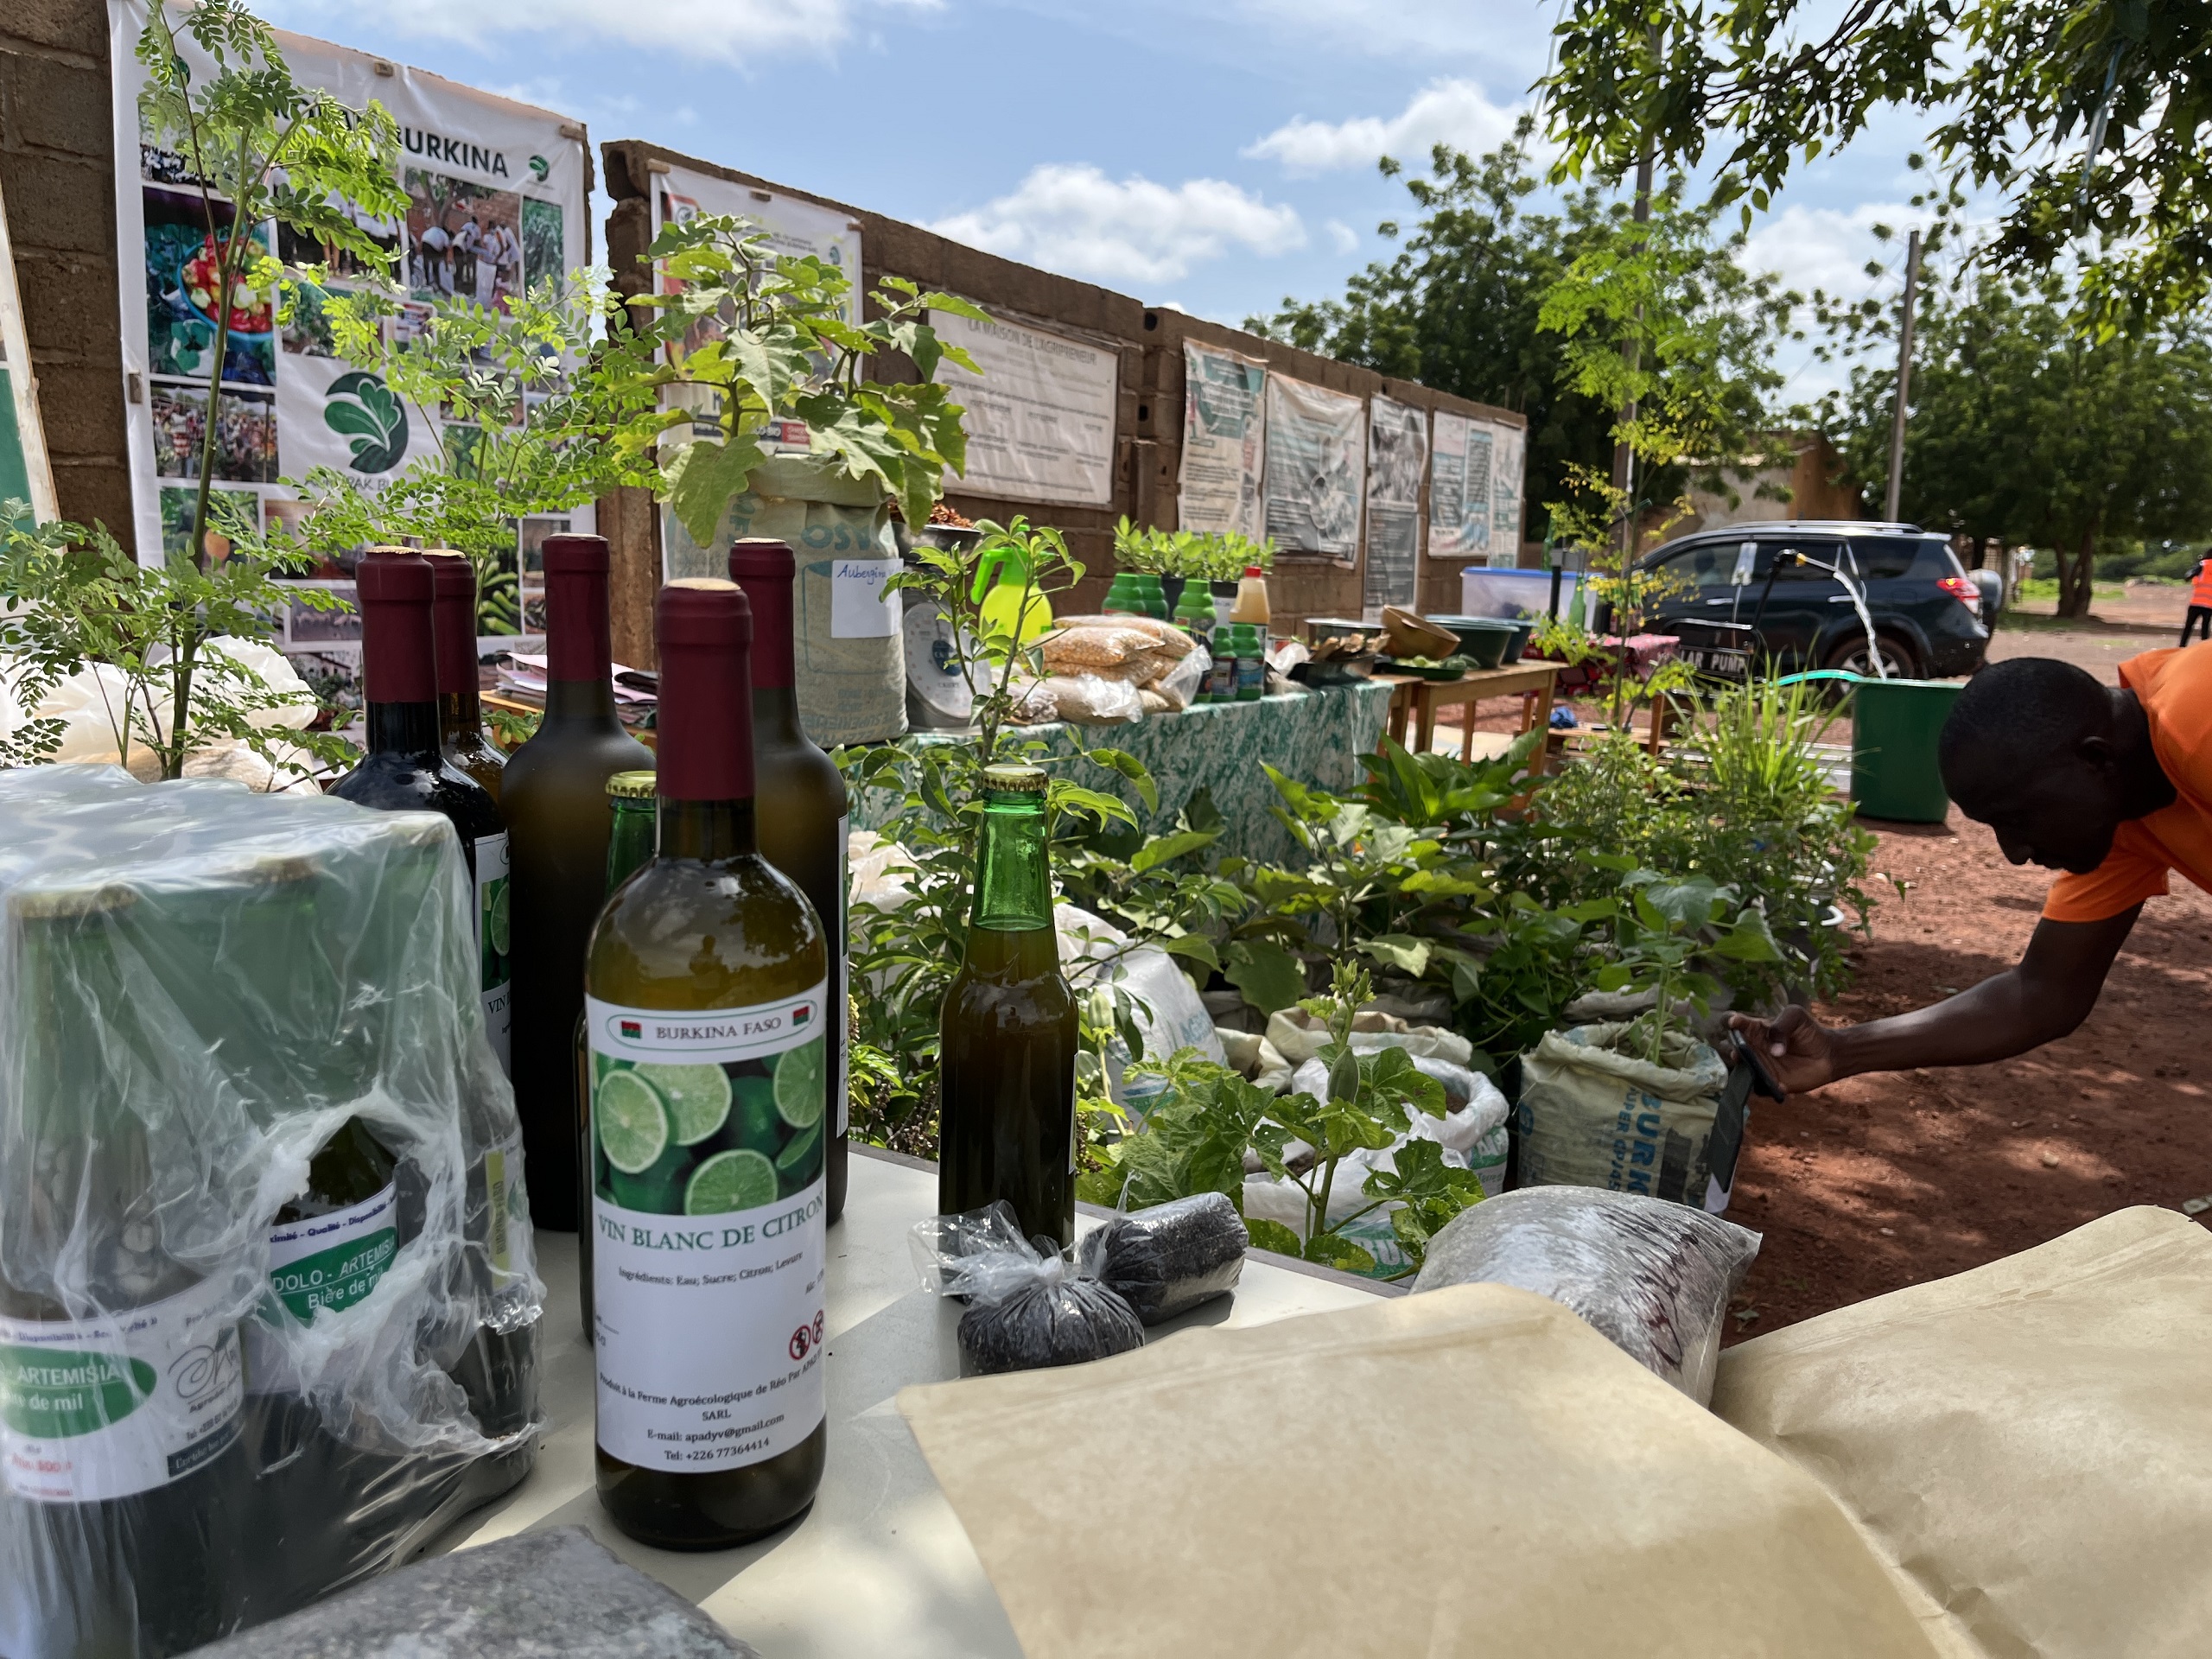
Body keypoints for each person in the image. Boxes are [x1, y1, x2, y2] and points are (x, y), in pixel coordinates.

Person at [1731, 651, 2208, 1092]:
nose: (2016, 854)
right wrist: (1840, 1051)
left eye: (2020, 818)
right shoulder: (2121, 815)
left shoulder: (2196, 723)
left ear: (2095, 760)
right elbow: (2042, 993)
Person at [2181, 551, 2212, 645]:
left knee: (2188, 627)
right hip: (2209, 605)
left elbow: (2188, 576)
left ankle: (2181, 647)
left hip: (2196, 603)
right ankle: (2204, 652)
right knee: (2205, 629)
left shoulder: (2202, 565)